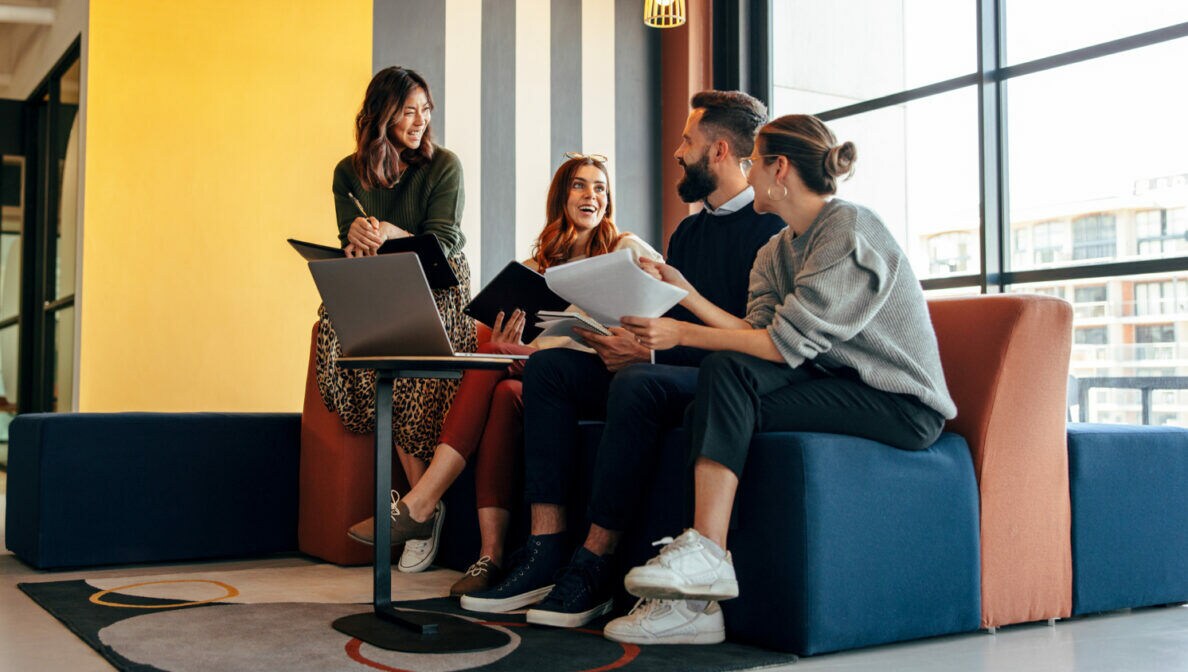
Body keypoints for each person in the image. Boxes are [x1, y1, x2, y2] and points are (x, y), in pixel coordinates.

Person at [607, 114, 957, 644]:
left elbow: (778, 345)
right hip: (834, 382)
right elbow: (756, 332)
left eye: (754, 164)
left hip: (899, 403)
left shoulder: (848, 229)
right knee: (707, 402)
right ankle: (697, 607)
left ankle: (705, 559)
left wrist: (681, 333)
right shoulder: (776, 250)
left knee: (724, 375)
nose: (745, 175)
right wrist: (685, 293)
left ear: (780, 169)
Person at [460, 91, 785, 631]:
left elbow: (750, 339)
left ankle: (594, 565)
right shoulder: (688, 232)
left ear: (720, 150)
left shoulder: (770, 231)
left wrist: (649, 352)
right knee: (549, 372)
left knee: (636, 384)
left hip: (723, 378)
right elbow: (657, 313)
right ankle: (544, 550)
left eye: (687, 140)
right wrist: (620, 341)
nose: (678, 152)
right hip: (663, 360)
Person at [346, 153, 662, 592]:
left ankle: (421, 503)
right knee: (500, 382)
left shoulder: (624, 248)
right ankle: (489, 557)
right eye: (580, 186)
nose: (591, 195)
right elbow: (531, 348)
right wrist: (512, 342)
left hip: (603, 375)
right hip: (543, 378)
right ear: (561, 197)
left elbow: (663, 302)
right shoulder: (535, 269)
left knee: (497, 356)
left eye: (600, 188)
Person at [316, 66, 475, 574]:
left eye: (426, 109)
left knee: (405, 360)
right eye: (409, 110)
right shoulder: (347, 171)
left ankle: (418, 509)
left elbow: (444, 245)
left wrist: (390, 231)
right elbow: (349, 238)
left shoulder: (444, 165)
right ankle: (421, 510)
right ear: (381, 113)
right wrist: (358, 239)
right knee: (341, 329)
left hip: (438, 284)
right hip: (380, 280)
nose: (420, 119)